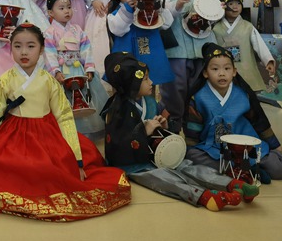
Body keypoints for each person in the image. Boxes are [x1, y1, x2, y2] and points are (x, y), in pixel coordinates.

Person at [0, 24, 131, 221]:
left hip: (44, 135)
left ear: (41, 50)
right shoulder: (4, 80)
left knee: (46, 169)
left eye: (31, 46)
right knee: (8, 167)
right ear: (10, 48)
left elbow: (64, 117)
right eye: (17, 46)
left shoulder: (49, 81)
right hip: (13, 135)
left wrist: (77, 160)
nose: (24, 52)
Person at [102, 52, 257, 212]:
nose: (151, 82)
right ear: (131, 84)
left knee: (186, 165)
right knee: (164, 178)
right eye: (146, 79)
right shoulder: (116, 110)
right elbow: (116, 145)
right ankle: (204, 196)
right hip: (135, 165)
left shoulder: (150, 101)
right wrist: (142, 132)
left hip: (157, 153)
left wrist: (164, 126)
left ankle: (231, 184)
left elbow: (164, 127)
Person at [184, 43, 282, 183]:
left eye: (227, 68)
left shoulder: (243, 94)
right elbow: (193, 128)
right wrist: (190, 152)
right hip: (214, 148)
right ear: (205, 73)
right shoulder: (198, 97)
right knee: (193, 157)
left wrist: (275, 145)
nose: (222, 73)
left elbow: (259, 121)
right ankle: (248, 170)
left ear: (234, 72)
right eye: (215, 69)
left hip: (246, 145)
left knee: (279, 169)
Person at [161, 0, 218, 133]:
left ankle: (196, 132)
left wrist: (217, 10)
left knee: (200, 92)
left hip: (202, 51)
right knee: (174, 93)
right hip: (175, 52)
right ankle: (172, 132)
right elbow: (161, 19)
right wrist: (177, 5)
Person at [42, 0, 109, 140]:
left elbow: (86, 49)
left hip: (78, 70)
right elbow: (49, 53)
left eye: (69, 7)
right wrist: (55, 71)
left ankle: (83, 134)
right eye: (61, 8)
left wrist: (89, 67)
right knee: (63, 100)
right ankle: (63, 132)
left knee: (83, 97)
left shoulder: (77, 30)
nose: (67, 11)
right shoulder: (49, 33)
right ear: (50, 13)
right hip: (61, 72)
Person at [107, 0, 174, 87]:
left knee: (151, 82)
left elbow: (166, 24)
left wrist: (159, 8)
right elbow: (118, 29)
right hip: (127, 54)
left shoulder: (150, 9)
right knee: (126, 85)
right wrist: (127, 9)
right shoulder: (116, 14)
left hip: (150, 51)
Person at [212, 0, 275, 93]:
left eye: (238, 3)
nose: (235, 7)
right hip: (224, 71)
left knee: (248, 96)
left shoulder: (248, 27)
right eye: (230, 3)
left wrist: (268, 60)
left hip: (246, 70)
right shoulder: (215, 28)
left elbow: (259, 45)